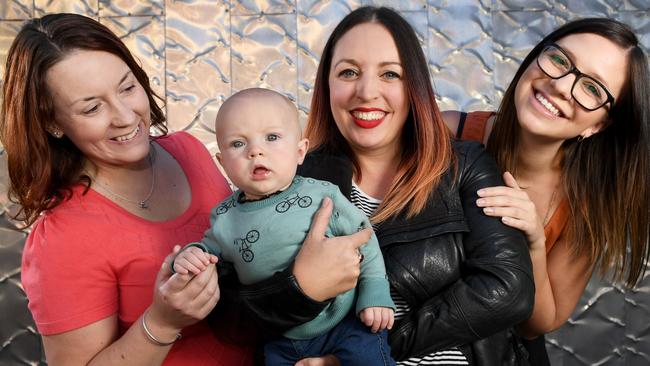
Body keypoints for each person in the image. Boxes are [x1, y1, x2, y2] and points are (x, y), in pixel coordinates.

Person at [0, 13, 372, 366]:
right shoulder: (63, 238)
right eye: (92, 108)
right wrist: (161, 323)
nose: (125, 116)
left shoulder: (188, 151)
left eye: (127, 87)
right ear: (53, 123)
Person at [227, 6, 536, 366]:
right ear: (327, 85)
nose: (367, 91)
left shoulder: (465, 165)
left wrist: (362, 351)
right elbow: (234, 317)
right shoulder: (290, 177)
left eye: (390, 73)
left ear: (415, 87)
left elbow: (508, 290)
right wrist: (301, 291)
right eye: (348, 72)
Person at [444, 18, 650, 365]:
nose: (561, 85)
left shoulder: (584, 204)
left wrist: (535, 244)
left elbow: (537, 325)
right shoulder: (448, 131)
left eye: (592, 88)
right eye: (559, 60)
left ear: (599, 124)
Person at [171, 88, 396, 365]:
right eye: (238, 144)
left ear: (300, 151)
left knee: (368, 357)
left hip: (345, 322)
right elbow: (209, 254)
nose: (256, 151)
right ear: (222, 163)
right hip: (278, 337)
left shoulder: (322, 195)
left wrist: (375, 292)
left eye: (272, 137)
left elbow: (364, 236)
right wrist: (190, 256)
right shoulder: (225, 217)